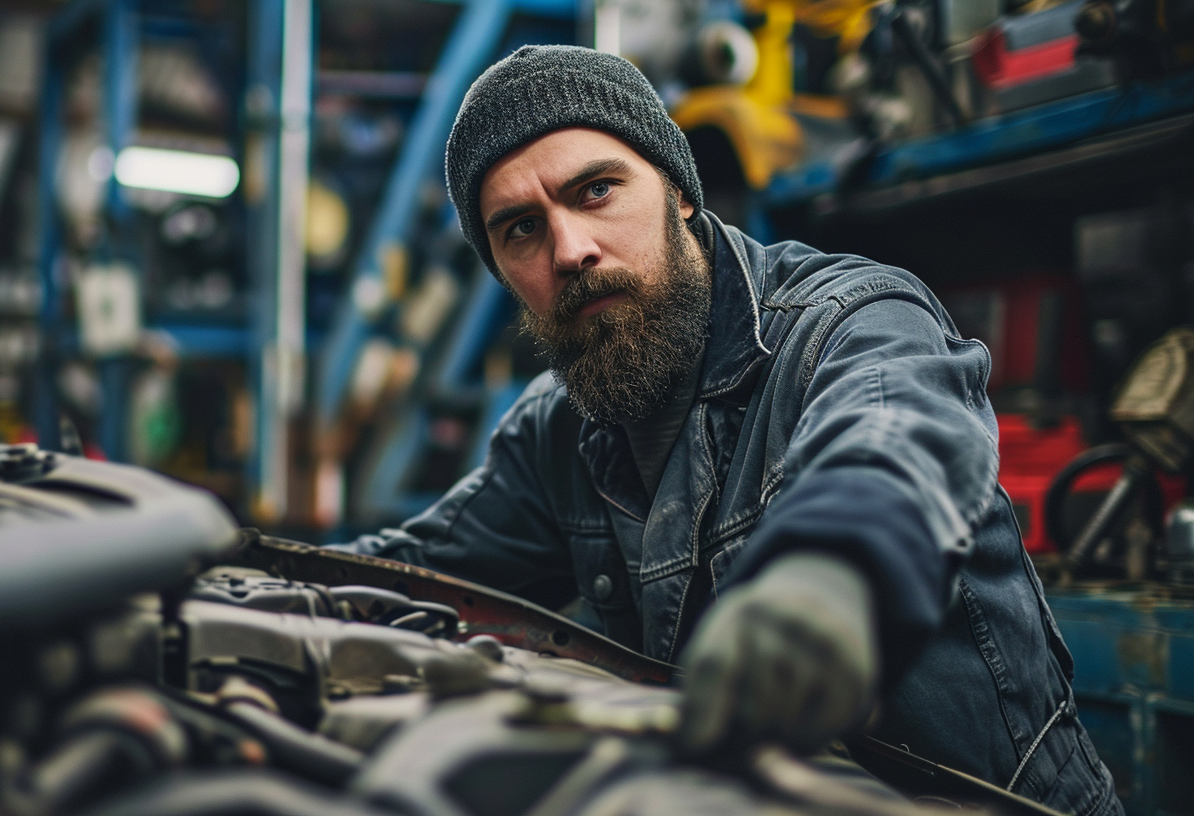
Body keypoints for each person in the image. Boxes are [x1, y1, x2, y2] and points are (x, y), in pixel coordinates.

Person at [334, 45, 1119, 816]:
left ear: (679, 191)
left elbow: (893, 448)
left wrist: (828, 577)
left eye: (597, 191)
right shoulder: (556, 432)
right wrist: (237, 558)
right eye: (520, 230)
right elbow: (412, 575)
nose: (569, 250)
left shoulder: (845, 323)